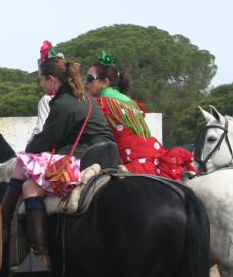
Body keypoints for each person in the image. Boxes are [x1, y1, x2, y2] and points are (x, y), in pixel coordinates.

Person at [0, 43, 113, 275]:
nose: (40, 84)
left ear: (52, 80)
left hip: (83, 159)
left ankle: (35, 251)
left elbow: (43, 142)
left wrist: (27, 151)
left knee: (28, 182)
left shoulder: (62, 104)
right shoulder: (86, 97)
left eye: (41, 80)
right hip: (107, 155)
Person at [84, 51, 197, 181]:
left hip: (134, 163)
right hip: (154, 156)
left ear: (104, 82)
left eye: (89, 79)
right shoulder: (128, 101)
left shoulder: (101, 103)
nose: (86, 84)